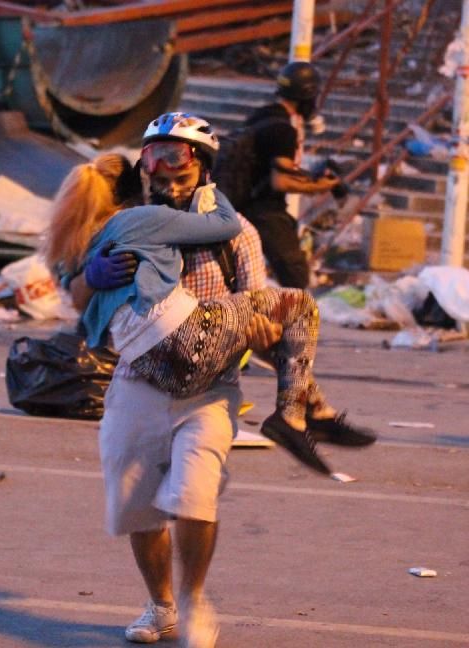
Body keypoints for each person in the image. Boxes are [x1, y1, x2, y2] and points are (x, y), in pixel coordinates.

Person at [44, 112, 376, 647]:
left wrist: (256, 333)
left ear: (202, 163)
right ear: (143, 164)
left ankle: (195, 600)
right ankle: (162, 607)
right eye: (154, 157)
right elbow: (76, 295)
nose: (165, 170)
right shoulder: (122, 217)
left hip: (210, 388)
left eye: (178, 157)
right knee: (137, 507)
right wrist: (90, 275)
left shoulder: (236, 231)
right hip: (138, 381)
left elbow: (259, 303)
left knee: (195, 497)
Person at [241, 61, 343, 289]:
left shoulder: (262, 116)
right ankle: (291, 322)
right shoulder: (283, 130)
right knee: (295, 276)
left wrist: (310, 176)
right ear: (307, 97)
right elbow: (281, 180)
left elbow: (277, 168)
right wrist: (319, 187)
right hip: (263, 210)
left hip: (242, 204)